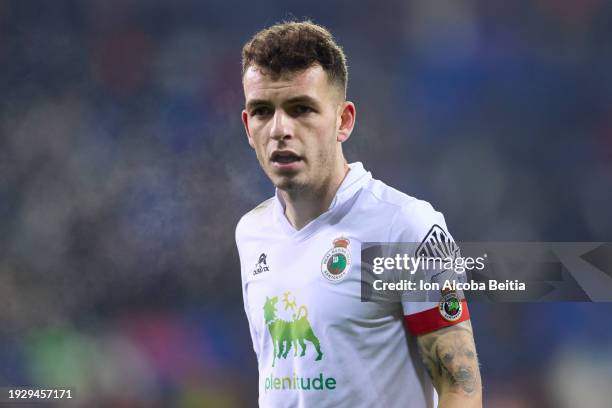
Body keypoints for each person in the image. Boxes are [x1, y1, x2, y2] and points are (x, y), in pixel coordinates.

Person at [235, 20, 482, 408]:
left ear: (343, 121)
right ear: (249, 127)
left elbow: (460, 386)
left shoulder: (404, 226)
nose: (281, 129)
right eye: (263, 111)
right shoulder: (251, 233)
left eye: (302, 109)